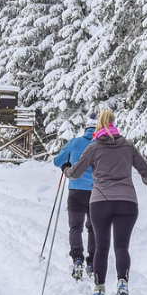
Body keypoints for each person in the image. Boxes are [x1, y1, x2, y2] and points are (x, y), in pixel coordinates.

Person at [62, 109, 147, 295]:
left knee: (102, 247)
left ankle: (99, 288)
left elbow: (75, 173)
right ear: (113, 123)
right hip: (127, 202)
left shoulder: (94, 148)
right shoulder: (128, 146)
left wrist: (66, 170)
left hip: (100, 201)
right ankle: (122, 283)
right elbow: (146, 171)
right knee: (121, 247)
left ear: (98, 126)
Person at [53, 113, 98, 281]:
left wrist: (66, 164)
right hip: (97, 192)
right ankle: (92, 262)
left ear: (86, 128)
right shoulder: (101, 144)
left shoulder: (75, 142)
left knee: (76, 228)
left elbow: (57, 161)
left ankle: (77, 259)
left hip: (76, 191)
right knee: (93, 228)